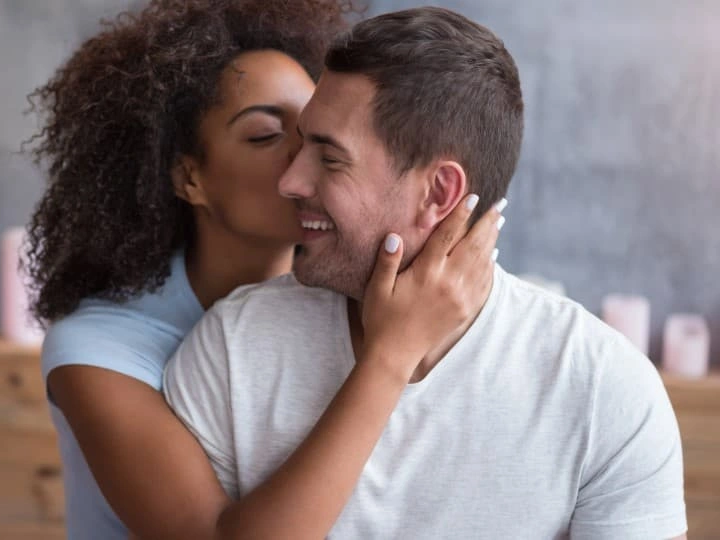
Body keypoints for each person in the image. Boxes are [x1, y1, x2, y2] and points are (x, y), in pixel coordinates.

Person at [165, 7, 688, 539]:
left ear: (439, 192)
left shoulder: (603, 387)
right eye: (301, 145)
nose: (291, 181)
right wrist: (391, 355)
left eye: (330, 157)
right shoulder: (230, 351)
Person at [26, 1, 504, 538]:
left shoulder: (341, 300)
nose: (305, 167)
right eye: (265, 136)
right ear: (190, 179)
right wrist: (392, 354)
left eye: (319, 137)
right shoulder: (96, 353)